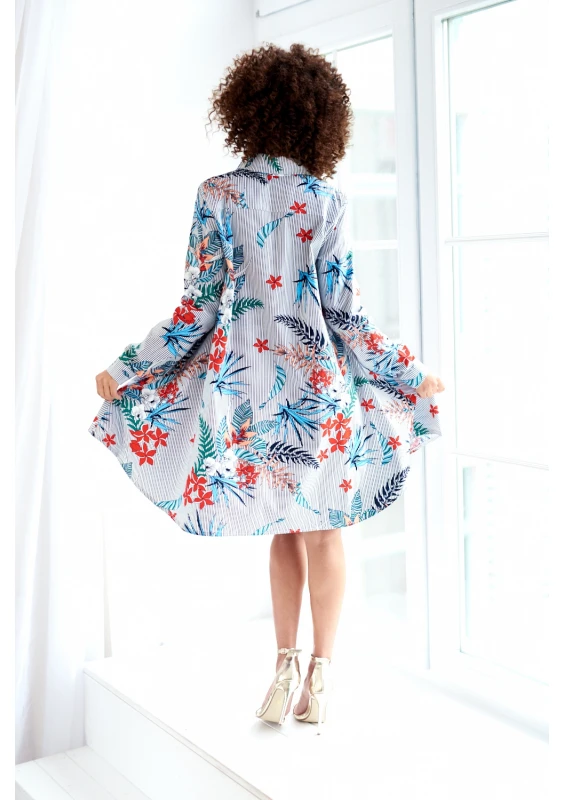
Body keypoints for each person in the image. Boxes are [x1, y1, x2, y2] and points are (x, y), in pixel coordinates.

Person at [90, 42, 445, 734]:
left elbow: (196, 312)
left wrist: (127, 368)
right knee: (324, 529)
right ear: (320, 120)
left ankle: (282, 669)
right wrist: (410, 373)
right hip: (318, 395)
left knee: (282, 529)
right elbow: (346, 316)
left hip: (246, 396)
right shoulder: (325, 201)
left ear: (246, 110)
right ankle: (322, 677)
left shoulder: (217, 196)